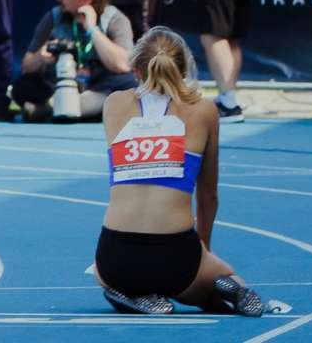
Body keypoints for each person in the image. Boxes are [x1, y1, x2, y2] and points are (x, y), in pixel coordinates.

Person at [95, 27, 264, 316]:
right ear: (184, 68)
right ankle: (225, 289)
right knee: (222, 278)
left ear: (136, 69)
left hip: (114, 255)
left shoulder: (114, 105)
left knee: (102, 274)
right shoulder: (204, 110)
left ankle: (129, 294)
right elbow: (208, 195)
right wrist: (203, 252)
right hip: (175, 255)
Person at [13, 0, 135, 121]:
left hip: (100, 85)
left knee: (132, 84)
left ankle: (53, 108)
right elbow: (26, 66)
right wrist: (41, 58)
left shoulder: (115, 19)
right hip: (60, 84)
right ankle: (84, 110)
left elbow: (123, 65)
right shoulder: (54, 17)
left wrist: (92, 29)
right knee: (22, 86)